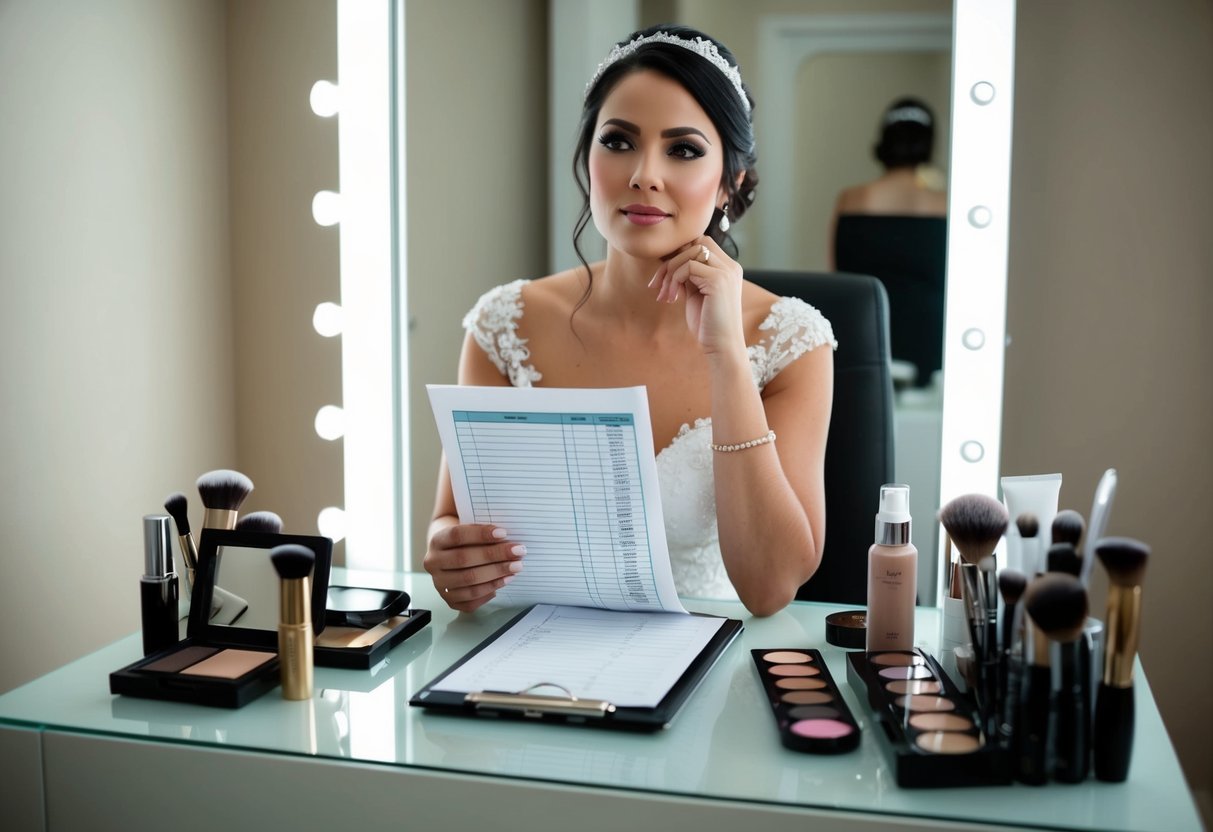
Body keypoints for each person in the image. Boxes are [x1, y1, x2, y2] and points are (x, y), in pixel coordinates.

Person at [424, 25, 836, 617]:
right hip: (531, 662)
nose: (644, 173)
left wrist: (725, 355)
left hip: (713, 670)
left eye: (684, 149)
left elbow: (770, 590)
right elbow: (449, 524)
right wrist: (447, 556)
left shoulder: (791, 341)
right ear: (587, 159)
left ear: (730, 184)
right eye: (618, 141)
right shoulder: (503, 325)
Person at [830, 97, 947, 386]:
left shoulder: (852, 199)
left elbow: (838, 276)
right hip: (929, 337)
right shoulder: (945, 205)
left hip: (865, 330)